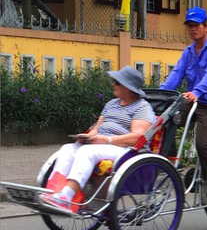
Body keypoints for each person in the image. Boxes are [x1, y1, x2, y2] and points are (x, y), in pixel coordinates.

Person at [39, 66, 155, 213]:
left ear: (128, 87)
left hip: (125, 150)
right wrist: (90, 135)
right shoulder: (111, 104)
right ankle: (54, 192)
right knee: (67, 149)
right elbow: (97, 126)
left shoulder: (142, 108)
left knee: (87, 152)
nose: (113, 84)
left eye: (117, 82)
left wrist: (107, 140)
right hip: (101, 144)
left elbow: (138, 137)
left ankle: (66, 196)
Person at [161, 6, 207, 197]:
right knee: (165, 122)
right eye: (189, 25)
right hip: (192, 101)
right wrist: (161, 93)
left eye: (196, 25)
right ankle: (172, 162)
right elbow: (176, 74)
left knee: (201, 142)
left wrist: (197, 91)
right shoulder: (188, 52)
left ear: (206, 27)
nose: (192, 29)